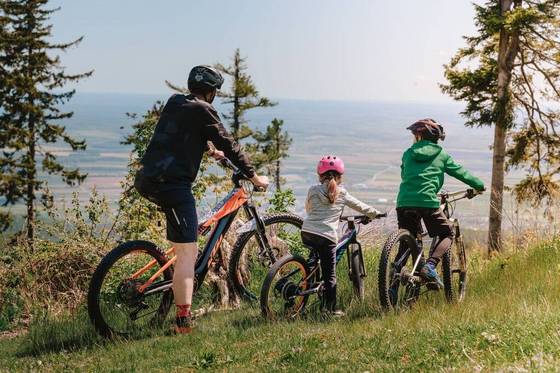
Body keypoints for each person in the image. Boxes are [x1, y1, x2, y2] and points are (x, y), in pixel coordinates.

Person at [134, 65, 269, 334]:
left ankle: (171, 276)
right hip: (171, 186)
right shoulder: (204, 110)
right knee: (189, 253)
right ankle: (183, 322)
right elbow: (230, 144)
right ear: (211, 92)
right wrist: (254, 177)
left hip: (147, 179)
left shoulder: (176, 101)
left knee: (181, 242)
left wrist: (209, 149)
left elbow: (181, 130)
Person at [396, 118, 485, 288]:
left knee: (407, 243)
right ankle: (429, 267)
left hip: (403, 202)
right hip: (427, 202)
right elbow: (461, 173)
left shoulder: (407, 153)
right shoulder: (441, 155)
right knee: (448, 233)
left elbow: (404, 175)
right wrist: (479, 186)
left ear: (419, 137)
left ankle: (391, 287)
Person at [301, 155, 381, 316]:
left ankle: (307, 286)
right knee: (330, 275)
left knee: (314, 261)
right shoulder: (342, 193)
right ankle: (330, 309)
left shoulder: (313, 190)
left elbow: (308, 210)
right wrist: (375, 214)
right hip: (326, 235)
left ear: (320, 175)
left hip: (307, 231)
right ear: (340, 177)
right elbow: (361, 207)